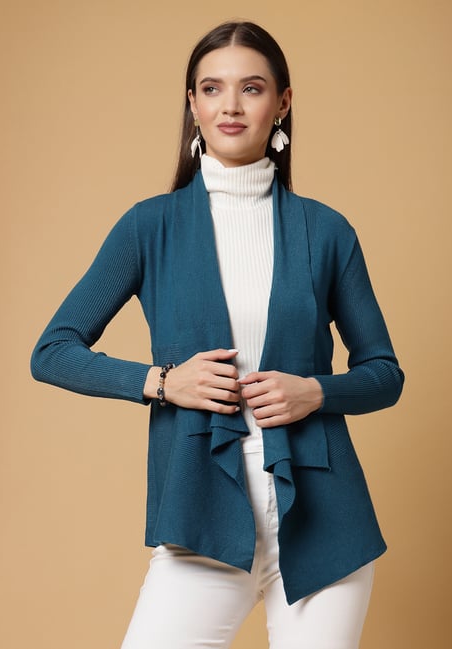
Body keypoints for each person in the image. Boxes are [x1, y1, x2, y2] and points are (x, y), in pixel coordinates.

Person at [31, 20, 404, 649]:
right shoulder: (150, 227)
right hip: (201, 512)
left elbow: (384, 373)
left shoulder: (327, 231)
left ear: (282, 102)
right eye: (212, 89)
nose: (230, 105)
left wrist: (316, 392)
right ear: (193, 103)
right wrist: (162, 383)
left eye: (251, 88)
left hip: (323, 519)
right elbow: (53, 351)